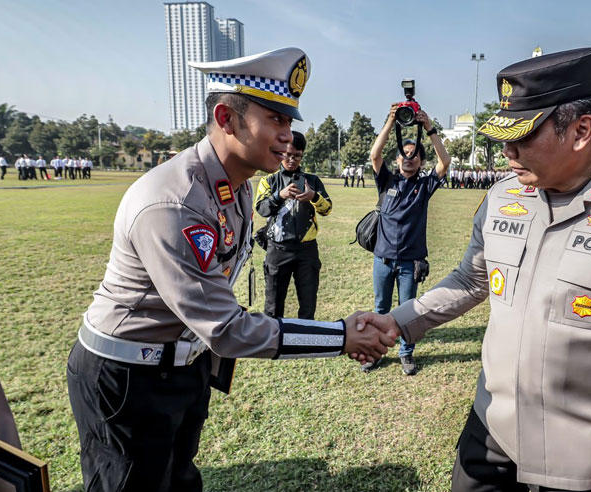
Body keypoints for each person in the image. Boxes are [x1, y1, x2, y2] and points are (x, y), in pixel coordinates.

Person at [357, 48, 591, 491]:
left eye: (522, 137)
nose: (506, 152)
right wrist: (399, 321)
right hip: (491, 433)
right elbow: (472, 278)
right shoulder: (504, 195)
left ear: (582, 130)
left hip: (587, 461)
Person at [66, 47, 394, 492]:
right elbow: (225, 326)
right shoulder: (175, 201)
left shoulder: (232, 186)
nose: (288, 136)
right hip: (129, 378)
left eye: (290, 122)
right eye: (275, 120)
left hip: (184, 364)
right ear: (227, 118)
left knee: (181, 479)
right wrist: (341, 336)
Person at [362, 102, 451, 375]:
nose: (409, 158)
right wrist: (390, 121)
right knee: (380, 307)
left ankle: (406, 353)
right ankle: (376, 353)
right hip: (383, 259)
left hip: (409, 262)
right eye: (405, 154)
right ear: (398, 159)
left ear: (421, 161)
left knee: (408, 310)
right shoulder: (387, 181)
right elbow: (374, 155)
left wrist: (429, 127)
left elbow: (445, 162)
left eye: (415, 155)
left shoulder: (424, 186)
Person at [254, 130, 332, 320]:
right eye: (288, 155)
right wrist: (280, 195)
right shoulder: (269, 180)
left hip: (307, 250)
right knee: (273, 305)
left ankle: (305, 344)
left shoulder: (312, 181)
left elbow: (327, 209)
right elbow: (261, 209)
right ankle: (273, 345)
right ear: (281, 153)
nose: (292, 160)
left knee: (308, 304)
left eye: (297, 156)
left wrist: (313, 196)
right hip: (278, 250)